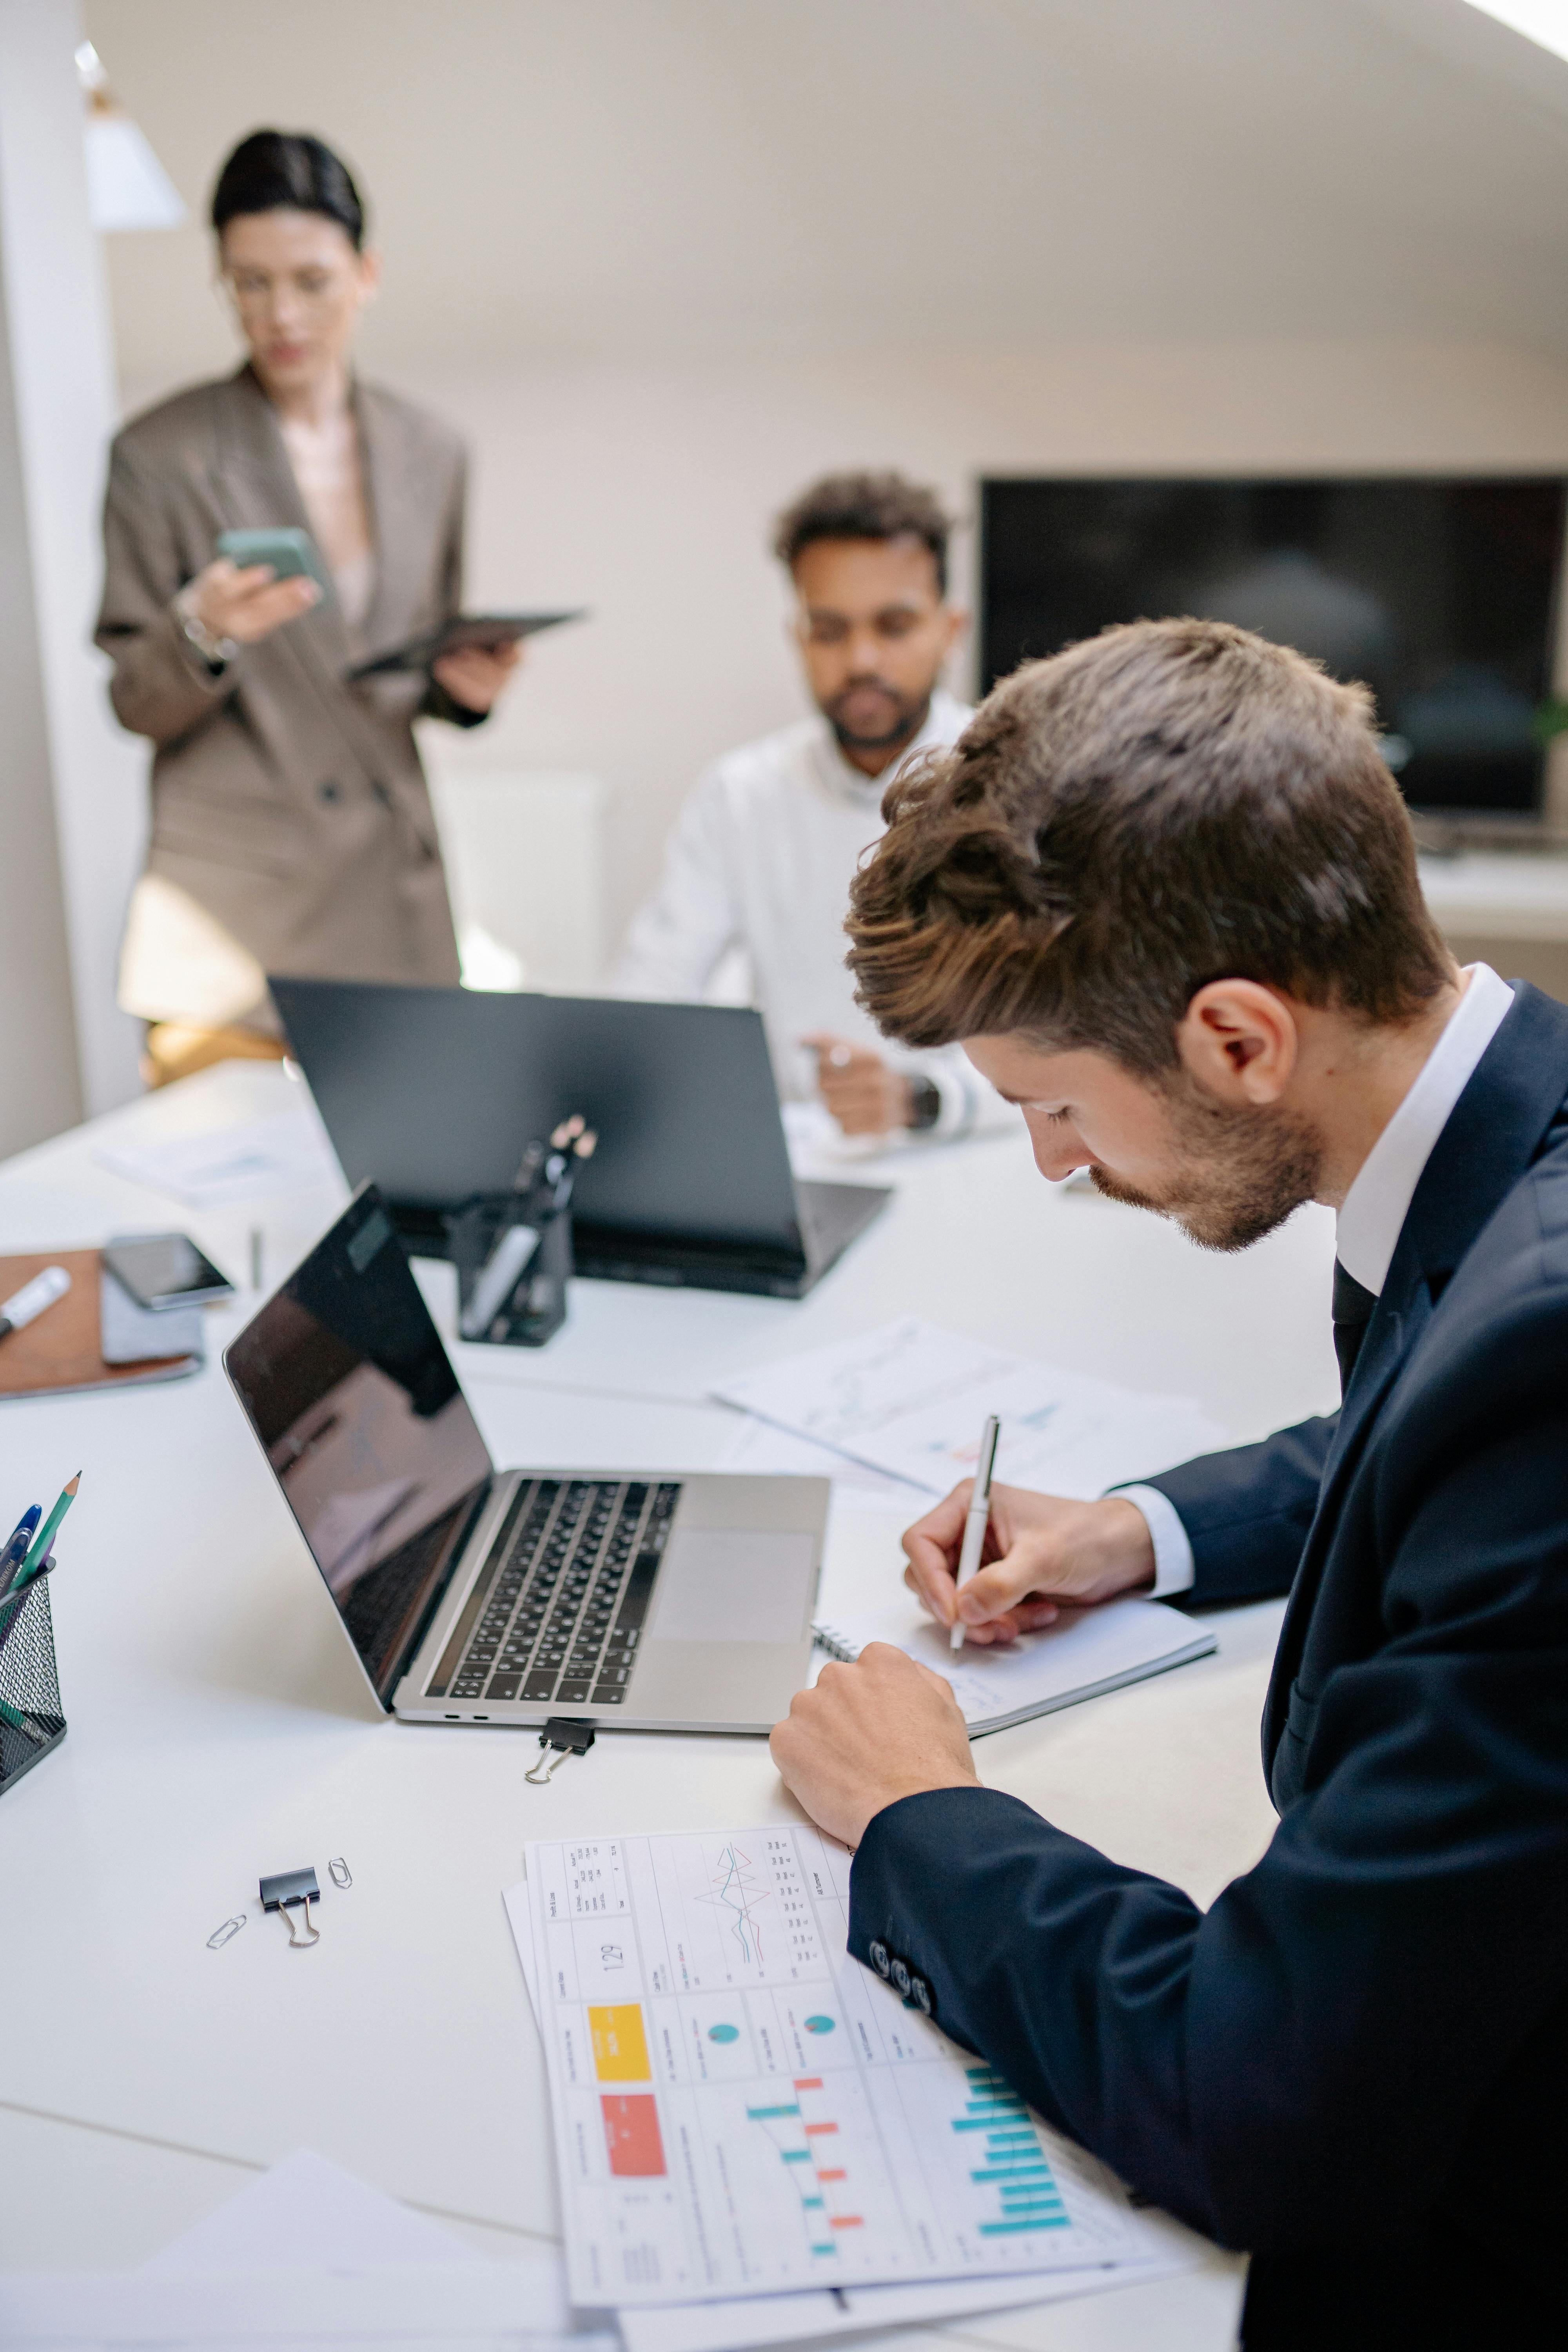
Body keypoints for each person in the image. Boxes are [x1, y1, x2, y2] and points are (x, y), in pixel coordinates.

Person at [769, 619, 1568, 2347]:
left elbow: (1264, 2099)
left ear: (1234, 1040)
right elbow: (1433, 1454)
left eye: (1055, 1108)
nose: (1058, 1167)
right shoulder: (1506, 1142)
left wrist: (922, 1813)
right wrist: (1146, 1528)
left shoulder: (1546, 1373)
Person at [96, 130, 520, 1085]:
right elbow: (132, 700)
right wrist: (202, 628)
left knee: (406, 1203)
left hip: (392, 907)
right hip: (232, 924)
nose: (279, 313)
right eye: (248, 283)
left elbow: (406, 666)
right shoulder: (160, 456)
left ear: (365, 275)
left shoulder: (433, 450)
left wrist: (467, 690)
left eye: (309, 280)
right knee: (217, 1213)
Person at [612, 470, 1000, 1139]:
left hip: (985, 1145)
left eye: (895, 625)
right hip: (809, 1157)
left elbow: (1091, 1038)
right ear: (799, 637)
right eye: (830, 631)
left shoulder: (1017, 779)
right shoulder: (741, 794)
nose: (862, 660)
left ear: (950, 630)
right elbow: (650, 992)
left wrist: (924, 1099)